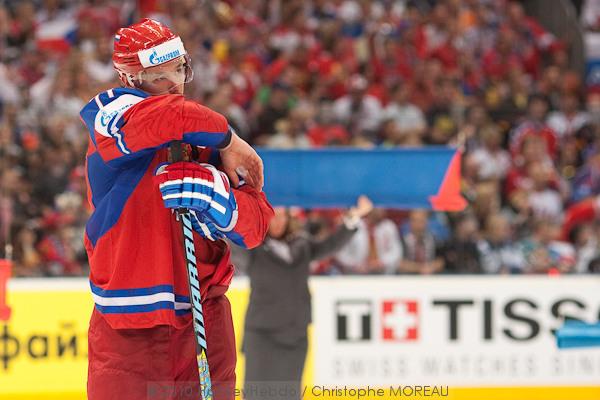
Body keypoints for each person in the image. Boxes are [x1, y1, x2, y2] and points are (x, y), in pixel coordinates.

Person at [80, 19, 274, 400]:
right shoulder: (111, 116)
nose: (174, 84)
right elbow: (170, 116)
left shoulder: (203, 135)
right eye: (159, 75)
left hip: (206, 320)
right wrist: (230, 139)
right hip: (128, 332)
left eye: (180, 69)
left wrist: (221, 200)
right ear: (129, 78)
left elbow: (257, 226)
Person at [239, 196, 373, 400]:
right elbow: (230, 244)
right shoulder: (252, 249)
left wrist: (353, 217)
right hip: (262, 335)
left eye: (282, 216)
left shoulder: (302, 245)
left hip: (295, 335)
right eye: (272, 216)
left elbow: (331, 245)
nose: (277, 221)